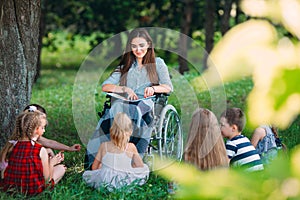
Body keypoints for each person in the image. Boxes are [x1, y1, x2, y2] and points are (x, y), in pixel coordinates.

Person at [85, 28, 173, 168]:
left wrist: (153, 88)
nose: (138, 49)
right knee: (116, 108)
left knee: (135, 109)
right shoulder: (125, 66)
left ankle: (132, 158)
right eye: (134, 46)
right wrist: (124, 89)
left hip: (146, 102)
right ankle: (101, 158)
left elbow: (168, 87)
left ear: (149, 44)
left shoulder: (158, 63)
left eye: (141, 45)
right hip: (125, 102)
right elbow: (105, 86)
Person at [0, 111, 66, 195]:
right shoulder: (40, 150)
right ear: (36, 129)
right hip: (34, 190)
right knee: (61, 168)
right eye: (43, 127)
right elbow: (47, 179)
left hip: (12, 188)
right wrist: (52, 163)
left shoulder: (12, 146)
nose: (44, 130)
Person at [83, 112, 149, 191]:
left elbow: (94, 167)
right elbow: (140, 166)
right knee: (145, 169)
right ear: (130, 132)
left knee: (88, 174)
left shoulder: (104, 146)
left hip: (105, 180)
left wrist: (102, 167)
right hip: (123, 181)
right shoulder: (131, 147)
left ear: (111, 130)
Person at [220, 108, 264, 172]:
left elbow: (223, 167)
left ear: (233, 128)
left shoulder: (232, 144)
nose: (219, 127)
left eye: (222, 125)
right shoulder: (245, 140)